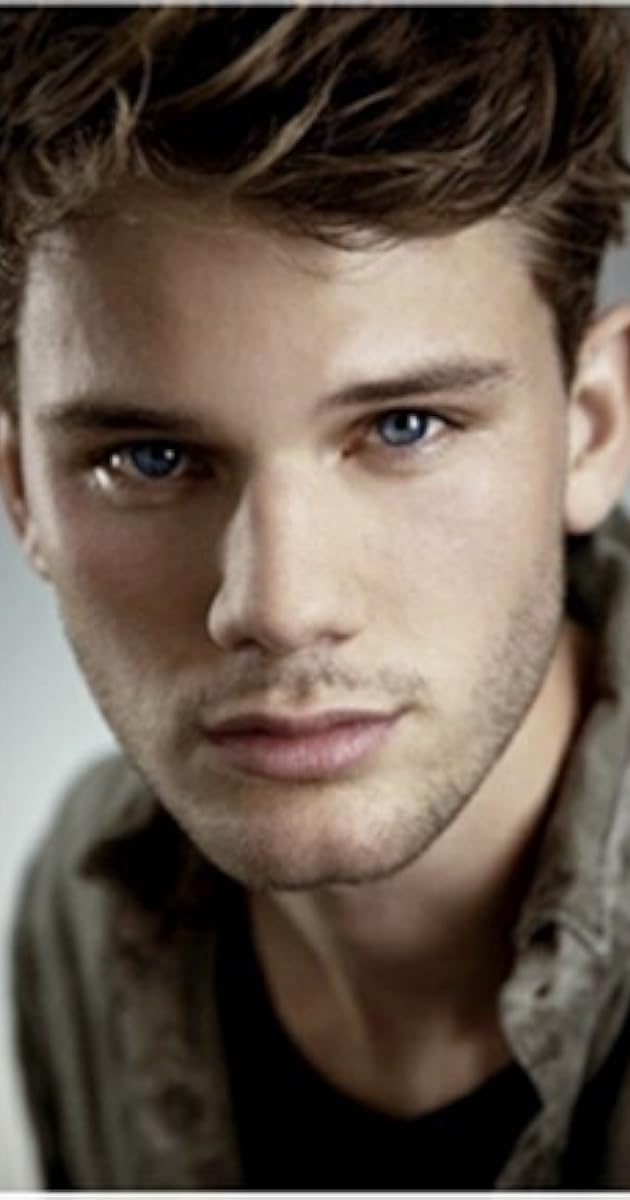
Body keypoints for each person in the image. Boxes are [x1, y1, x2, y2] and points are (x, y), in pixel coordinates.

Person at [1, 6, 630, 1189]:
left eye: (405, 427)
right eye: (147, 458)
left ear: (591, 429)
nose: (279, 605)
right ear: (23, 492)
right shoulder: (87, 909)